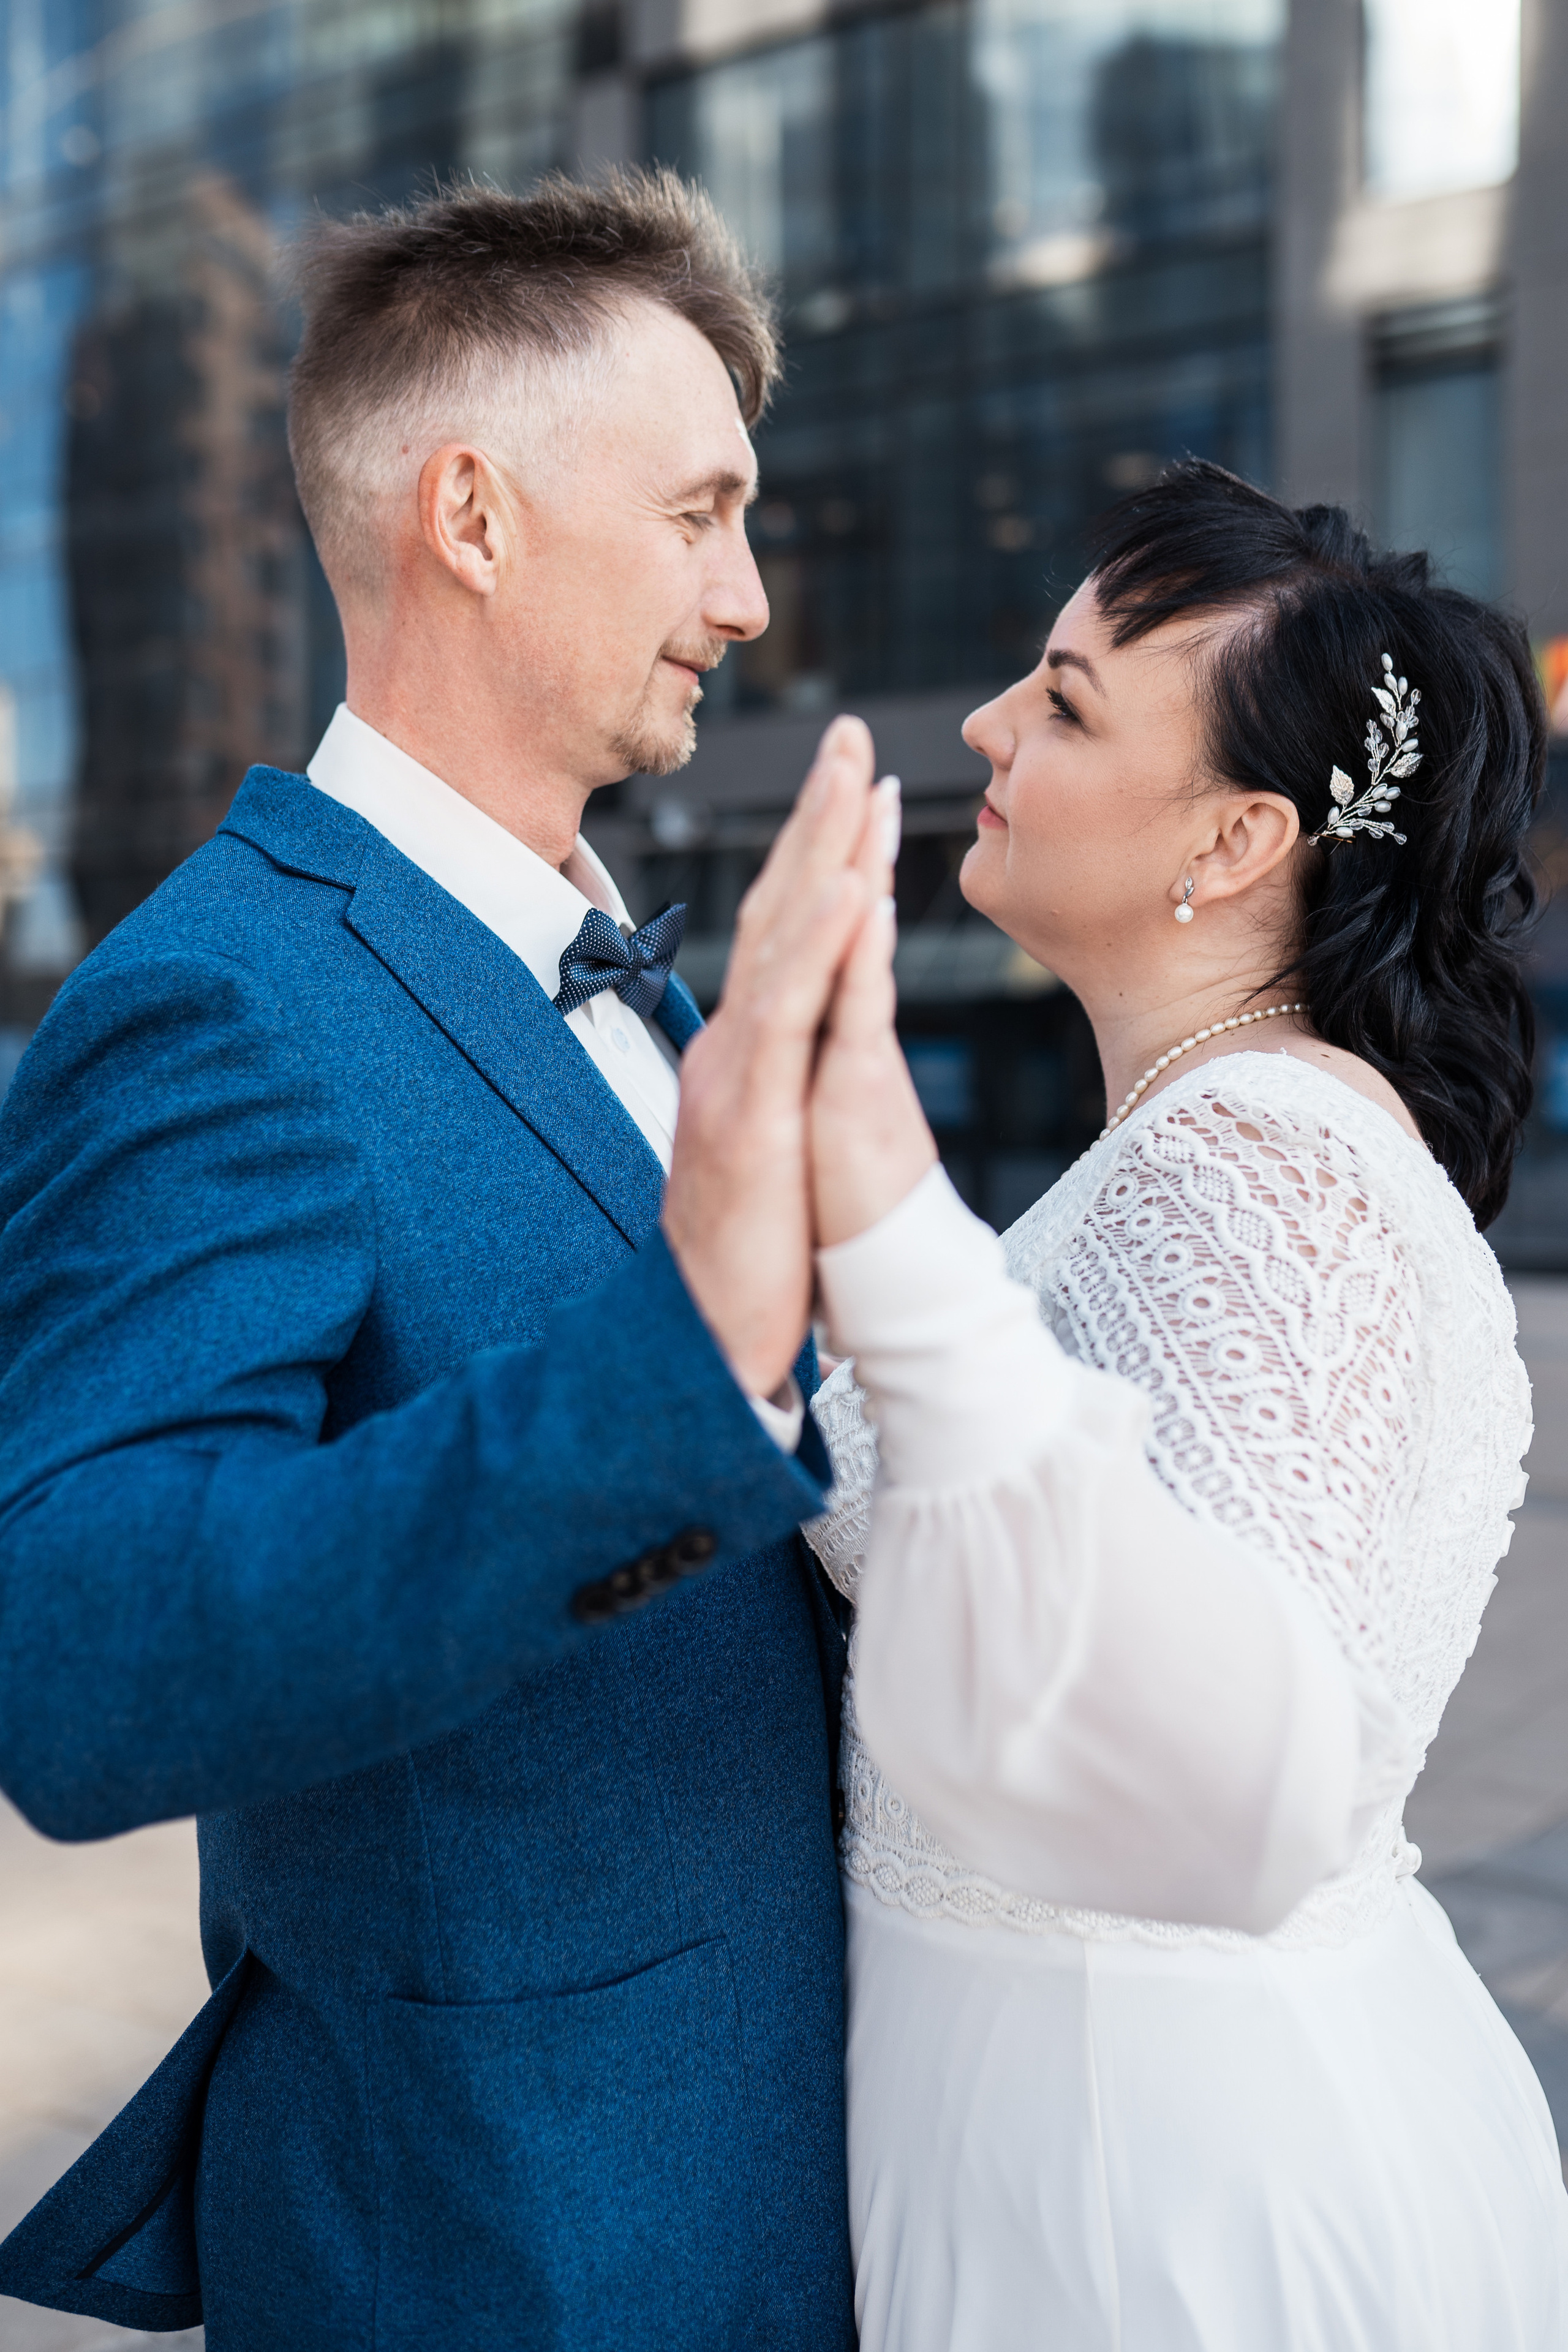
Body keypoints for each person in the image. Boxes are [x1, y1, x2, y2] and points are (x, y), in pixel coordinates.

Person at [0, 172, 884, 2351]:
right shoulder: (212, 1005)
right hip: (514, 2253)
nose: (750, 595)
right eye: (700, 515)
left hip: (799, 2201)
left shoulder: (652, 987)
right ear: (472, 518)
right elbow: (78, 1662)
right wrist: (682, 1375)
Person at [793, 462, 1568, 2349]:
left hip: (1146, 2185)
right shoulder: (1205, 1147)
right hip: (1066, 2109)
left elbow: (1228, 1757)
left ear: (1230, 846)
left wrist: (875, 1223)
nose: (986, 723)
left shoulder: (1264, 1178)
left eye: (1062, 702)